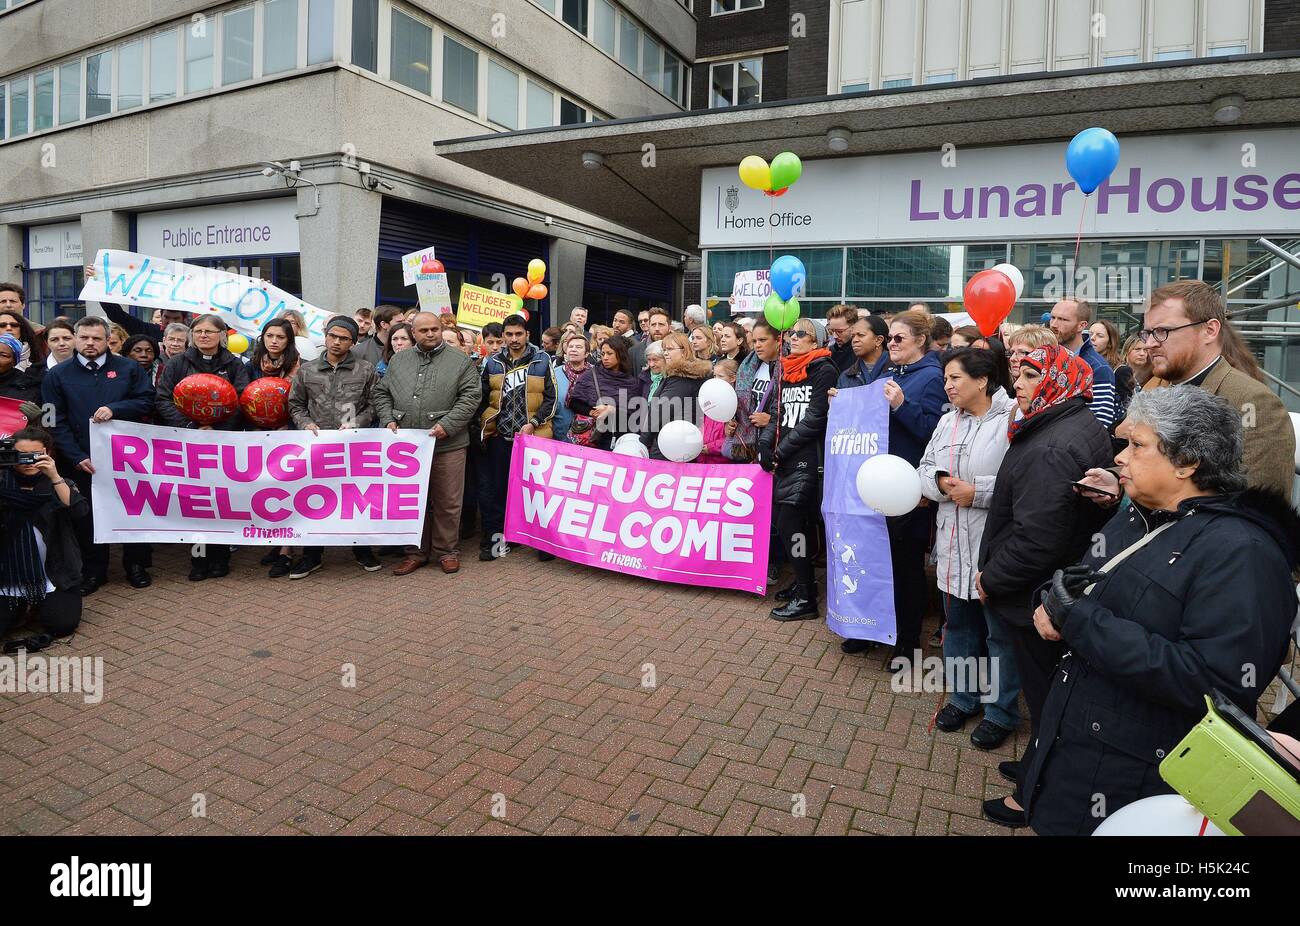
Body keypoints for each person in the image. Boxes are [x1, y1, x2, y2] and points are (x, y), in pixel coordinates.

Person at [1019, 386, 1299, 834]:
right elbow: (1085, 583)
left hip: (1139, 783)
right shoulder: (1139, 515)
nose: (1121, 456)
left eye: (1137, 444)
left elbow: (1217, 683)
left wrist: (1079, 621)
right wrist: (1052, 603)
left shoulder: (1242, 553)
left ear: (1188, 462)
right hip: (1077, 753)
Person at [976, 343, 1113, 828]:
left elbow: (1038, 537)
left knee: (1047, 696)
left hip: (1034, 591)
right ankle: (1037, 761)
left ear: (1056, 380)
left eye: (1032, 376)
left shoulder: (1054, 443)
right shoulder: (1062, 422)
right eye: (1020, 374)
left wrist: (991, 578)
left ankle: (1032, 791)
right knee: (1047, 693)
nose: (1019, 385)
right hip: (1042, 587)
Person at [1089, 281, 1295, 498]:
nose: (1149, 343)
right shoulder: (1164, 391)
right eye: (1147, 333)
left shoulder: (1254, 402)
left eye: (1162, 331)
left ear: (1210, 330)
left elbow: (1257, 505)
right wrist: (1116, 480)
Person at [917, 348, 1020, 748]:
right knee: (958, 628)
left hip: (993, 546)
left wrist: (978, 493)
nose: (947, 385)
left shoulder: (1013, 418)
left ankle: (1000, 711)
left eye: (955, 378)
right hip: (951, 542)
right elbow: (923, 468)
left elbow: (1024, 480)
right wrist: (940, 483)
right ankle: (963, 698)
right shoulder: (946, 421)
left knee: (999, 634)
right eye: (945, 379)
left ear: (982, 380)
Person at [840, 310, 947, 660]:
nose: (893, 343)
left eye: (899, 338)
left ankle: (907, 640)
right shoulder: (890, 371)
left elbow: (932, 431)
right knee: (872, 559)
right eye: (891, 338)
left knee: (905, 568)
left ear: (920, 340)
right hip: (875, 483)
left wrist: (901, 405)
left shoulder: (933, 377)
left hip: (906, 489)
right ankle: (870, 628)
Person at [41, 317, 155, 593]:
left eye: (96, 338)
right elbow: (52, 420)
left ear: (107, 340)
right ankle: (94, 571)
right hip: (81, 460)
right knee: (87, 516)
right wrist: (75, 455)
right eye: (84, 338)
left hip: (127, 458)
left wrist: (116, 408)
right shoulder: (57, 375)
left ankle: (136, 566)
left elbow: (147, 399)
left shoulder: (129, 368)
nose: (90, 343)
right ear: (75, 339)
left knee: (133, 510)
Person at [285, 315, 384, 579]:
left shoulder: (365, 370)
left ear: (352, 342)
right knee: (315, 500)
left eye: (343, 338)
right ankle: (312, 555)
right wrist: (304, 423)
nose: (337, 342)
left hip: (352, 446)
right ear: (326, 336)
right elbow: (295, 404)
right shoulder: (307, 370)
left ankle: (361, 550)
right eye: (333, 336)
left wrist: (358, 423)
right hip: (317, 448)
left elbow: (375, 404)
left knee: (354, 498)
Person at [155, 315, 252, 581]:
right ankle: (198, 560)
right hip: (189, 441)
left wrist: (218, 430)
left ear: (222, 335)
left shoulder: (234, 364)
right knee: (195, 502)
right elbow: (163, 398)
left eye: (210, 331)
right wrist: (190, 425)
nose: (203, 336)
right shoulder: (177, 363)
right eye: (198, 331)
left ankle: (221, 558)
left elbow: (242, 400)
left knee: (221, 501)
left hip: (222, 443)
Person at [756, 318, 838, 620]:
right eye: (791, 333)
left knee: (790, 524)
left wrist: (781, 450)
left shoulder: (825, 369)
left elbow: (816, 418)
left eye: (800, 334)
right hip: (787, 458)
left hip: (808, 460)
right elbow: (777, 413)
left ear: (815, 342)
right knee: (792, 527)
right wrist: (765, 444)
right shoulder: (787, 368)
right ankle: (804, 586)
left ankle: (806, 598)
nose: (792, 337)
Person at [0, 427, 90, 644]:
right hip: (7, 575)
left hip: (53, 572)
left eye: (36, 455)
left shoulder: (57, 484)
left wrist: (55, 476)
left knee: (62, 625)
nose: (29, 462)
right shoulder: (3, 483)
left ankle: (33, 604)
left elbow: (80, 511)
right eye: (22, 456)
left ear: (48, 454)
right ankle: (23, 604)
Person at [476, 314, 555, 561]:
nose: (513, 339)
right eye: (508, 335)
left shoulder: (542, 360)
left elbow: (552, 400)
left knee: (537, 493)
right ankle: (498, 543)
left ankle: (544, 545)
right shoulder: (492, 362)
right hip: (500, 437)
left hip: (533, 439)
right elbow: (481, 398)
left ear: (527, 335)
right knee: (497, 492)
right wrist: (485, 426)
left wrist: (533, 423)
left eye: (518, 334)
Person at [642, 332, 710, 460]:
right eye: (664, 349)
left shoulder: (680, 378)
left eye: (670, 349)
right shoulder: (681, 375)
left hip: (671, 443)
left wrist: (644, 440)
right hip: (680, 442)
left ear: (684, 352)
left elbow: (661, 411)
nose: (666, 353)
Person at [1048, 299, 1116, 429]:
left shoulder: (1098, 368)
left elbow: (1099, 424)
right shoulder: (1046, 357)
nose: (1054, 324)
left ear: (1081, 325)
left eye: (1063, 319)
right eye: (1053, 317)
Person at [567, 333, 642, 450]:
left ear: (620, 354)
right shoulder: (590, 375)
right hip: (590, 438)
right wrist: (594, 412)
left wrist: (612, 410)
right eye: (602, 354)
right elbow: (573, 402)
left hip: (617, 438)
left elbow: (634, 414)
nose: (605, 357)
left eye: (609, 353)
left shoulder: (631, 382)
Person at [83, 266, 191, 342]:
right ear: (161, 316)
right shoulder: (147, 330)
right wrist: (99, 283)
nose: (171, 322)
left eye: (176, 318)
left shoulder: (194, 336)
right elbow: (117, 315)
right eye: (167, 317)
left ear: (184, 319)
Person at [834, 315, 888, 392]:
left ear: (878, 340)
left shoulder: (897, 371)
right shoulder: (846, 376)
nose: (854, 340)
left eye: (861, 335)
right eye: (853, 336)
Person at [700, 359, 739, 464]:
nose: (716, 379)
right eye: (714, 376)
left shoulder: (737, 403)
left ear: (733, 378)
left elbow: (735, 436)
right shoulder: (709, 399)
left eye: (720, 376)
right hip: (702, 459)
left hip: (722, 463)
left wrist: (712, 447)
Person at [552, 333, 587, 444]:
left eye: (578, 347)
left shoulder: (595, 375)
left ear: (587, 353)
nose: (573, 349)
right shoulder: (554, 374)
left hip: (587, 439)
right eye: (570, 347)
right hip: (558, 437)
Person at [0, 334, 43, 416]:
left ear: (14, 361)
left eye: (3, 355)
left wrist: (38, 418)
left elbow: (51, 421)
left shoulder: (29, 386)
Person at [630, 307, 671, 387]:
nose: (657, 329)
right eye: (653, 325)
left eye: (661, 324)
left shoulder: (678, 350)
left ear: (669, 327)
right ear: (648, 326)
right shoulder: (634, 352)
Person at [0, 306, 47, 373]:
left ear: (22, 329)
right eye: (2, 325)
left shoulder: (38, 352)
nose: (9, 328)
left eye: (14, 325)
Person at [824, 305, 860, 372]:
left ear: (853, 327)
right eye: (831, 331)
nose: (834, 336)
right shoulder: (829, 352)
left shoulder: (862, 354)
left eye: (840, 331)